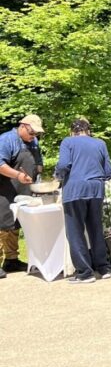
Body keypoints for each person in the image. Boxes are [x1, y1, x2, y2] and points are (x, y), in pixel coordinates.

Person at [56, 118, 111, 282]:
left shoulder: (68, 142)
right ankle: (103, 268)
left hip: (75, 190)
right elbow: (108, 170)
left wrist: (58, 177)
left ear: (71, 131)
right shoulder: (100, 143)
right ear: (88, 130)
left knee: (75, 232)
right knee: (96, 229)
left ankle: (85, 273)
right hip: (96, 188)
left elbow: (63, 164)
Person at [0, 114, 43, 276]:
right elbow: (0, 164)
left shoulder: (33, 142)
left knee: (16, 225)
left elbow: (37, 162)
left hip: (23, 190)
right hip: (4, 189)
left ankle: (11, 260)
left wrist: (39, 173)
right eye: (32, 133)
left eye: (37, 134)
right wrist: (18, 175)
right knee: (2, 225)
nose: (34, 137)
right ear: (22, 126)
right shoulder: (6, 139)